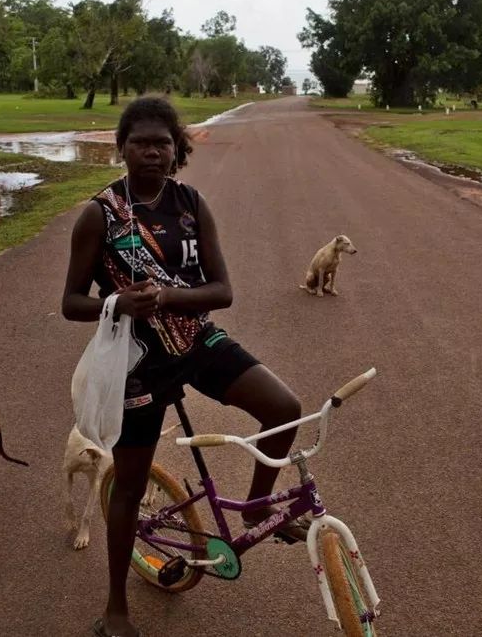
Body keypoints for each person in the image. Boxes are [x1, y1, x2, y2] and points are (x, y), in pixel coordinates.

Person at [61, 97, 306, 637]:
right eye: (140, 142)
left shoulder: (191, 203)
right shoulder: (98, 216)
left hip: (197, 340)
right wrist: (117, 303)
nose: (152, 152)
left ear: (178, 150)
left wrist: (169, 297)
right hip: (137, 365)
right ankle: (116, 610)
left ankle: (255, 504)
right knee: (127, 487)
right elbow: (71, 302)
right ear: (121, 148)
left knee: (284, 409)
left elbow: (223, 291)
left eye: (163, 143)